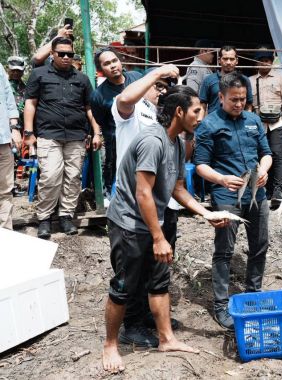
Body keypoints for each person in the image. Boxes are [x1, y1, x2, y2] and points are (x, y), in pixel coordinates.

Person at [102, 86, 225, 373]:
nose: (201, 116)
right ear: (179, 112)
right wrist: (158, 237)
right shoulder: (153, 141)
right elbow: (143, 192)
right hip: (130, 223)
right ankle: (110, 344)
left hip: (153, 220)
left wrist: (206, 213)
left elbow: (178, 188)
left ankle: (166, 338)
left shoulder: (178, 142)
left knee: (159, 280)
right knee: (123, 286)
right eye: (196, 110)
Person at [108, 65, 180, 348]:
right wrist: (158, 72)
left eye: (165, 88)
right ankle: (132, 324)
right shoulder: (130, 112)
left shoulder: (162, 120)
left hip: (163, 201)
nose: (161, 90)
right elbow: (126, 98)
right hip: (134, 202)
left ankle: (149, 317)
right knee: (131, 271)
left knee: (156, 267)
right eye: (157, 86)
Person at [195, 72, 273, 330]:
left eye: (242, 99)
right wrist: (221, 179)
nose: (239, 104)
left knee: (260, 244)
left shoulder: (253, 120)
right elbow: (200, 166)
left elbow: (267, 154)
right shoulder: (209, 125)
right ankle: (220, 304)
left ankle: (253, 294)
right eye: (233, 100)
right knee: (225, 250)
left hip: (257, 195)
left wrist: (264, 169)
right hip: (226, 197)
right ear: (220, 97)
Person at [23, 37, 102, 239]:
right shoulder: (39, 74)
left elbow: (89, 107)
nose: (67, 57)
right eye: (62, 54)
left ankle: (66, 215)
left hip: (76, 135)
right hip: (48, 134)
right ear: (52, 54)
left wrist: (96, 131)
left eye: (70, 54)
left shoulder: (82, 79)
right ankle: (45, 219)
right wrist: (28, 133)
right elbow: (31, 104)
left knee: (73, 177)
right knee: (50, 176)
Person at [90, 47, 143, 198]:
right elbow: (100, 120)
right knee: (118, 176)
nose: (113, 65)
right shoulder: (98, 95)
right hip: (117, 143)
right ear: (101, 69)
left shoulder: (137, 77)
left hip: (143, 137)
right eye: (107, 63)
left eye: (115, 61)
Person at [249, 48, 282, 206]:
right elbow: (248, 105)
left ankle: (278, 190)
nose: (265, 63)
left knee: (278, 154)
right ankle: (262, 188)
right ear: (256, 62)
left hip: (277, 122)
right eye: (261, 60)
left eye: (268, 60)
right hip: (256, 122)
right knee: (258, 154)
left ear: (272, 62)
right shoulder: (250, 80)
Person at [199, 45, 253, 114]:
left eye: (231, 59)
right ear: (219, 60)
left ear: (237, 61)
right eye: (225, 59)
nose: (228, 62)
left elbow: (248, 106)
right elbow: (202, 105)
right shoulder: (209, 80)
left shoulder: (244, 80)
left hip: (237, 122)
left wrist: (247, 122)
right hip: (214, 123)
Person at [0, 65, 21, 229]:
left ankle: (5, 232)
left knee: (5, 190)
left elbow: (8, 99)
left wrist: (14, 129)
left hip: (3, 139)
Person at [7, 56, 26, 123]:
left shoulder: (26, 87)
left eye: (18, 70)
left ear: (23, 71)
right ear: (8, 69)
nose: (16, 73)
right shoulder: (3, 86)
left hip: (22, 124)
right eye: (13, 70)